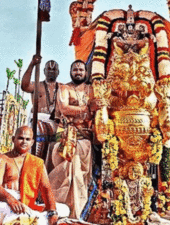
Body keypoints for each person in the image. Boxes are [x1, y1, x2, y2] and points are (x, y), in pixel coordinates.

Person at [48, 60, 104, 219]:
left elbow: (99, 108)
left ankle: (81, 214)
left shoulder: (91, 90)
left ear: (86, 72)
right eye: (75, 69)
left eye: (81, 69)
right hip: (67, 138)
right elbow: (65, 108)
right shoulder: (64, 88)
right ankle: (68, 214)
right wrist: (87, 109)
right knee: (69, 173)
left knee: (82, 179)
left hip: (86, 140)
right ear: (71, 71)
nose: (78, 72)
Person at [0, 126, 69, 225]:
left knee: (64, 209)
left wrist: (52, 212)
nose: (24, 142)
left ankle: (33, 217)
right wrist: (11, 200)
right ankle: (32, 218)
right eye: (21, 138)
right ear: (14, 139)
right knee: (17, 214)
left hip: (26, 205)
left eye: (28, 139)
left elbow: (46, 189)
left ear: (32, 142)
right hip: (2, 204)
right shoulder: (2, 159)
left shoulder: (37, 162)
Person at [21, 55, 60, 160]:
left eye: (54, 69)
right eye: (49, 69)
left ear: (58, 72)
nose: (51, 71)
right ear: (44, 71)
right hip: (37, 122)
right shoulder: (37, 85)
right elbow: (24, 86)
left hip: (54, 124)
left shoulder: (62, 88)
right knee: (39, 135)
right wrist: (32, 64)